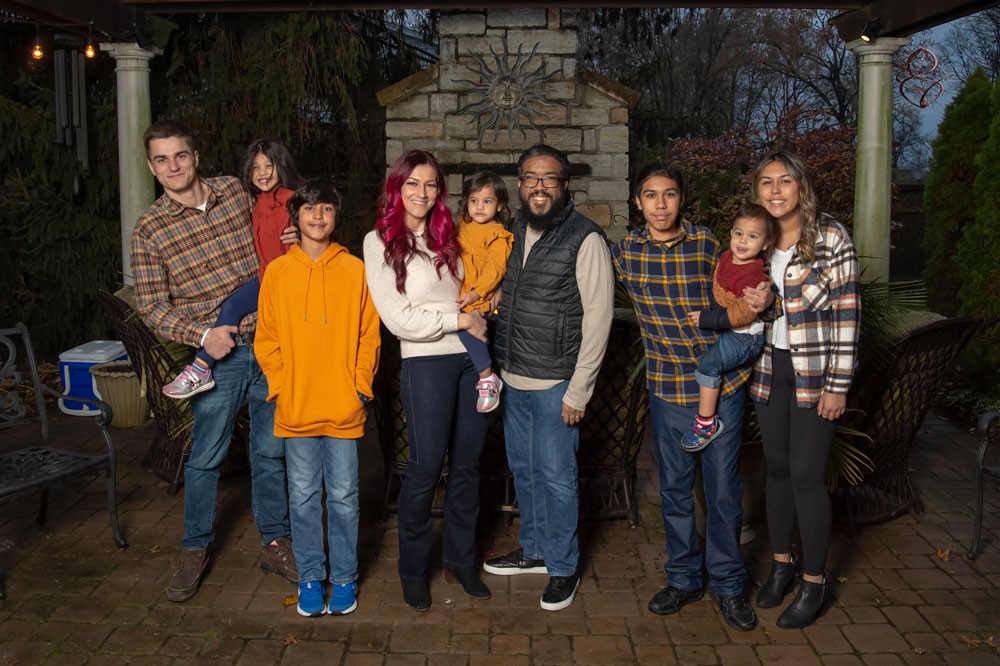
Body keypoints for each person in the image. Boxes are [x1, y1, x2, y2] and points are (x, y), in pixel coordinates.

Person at [130, 120, 296, 603]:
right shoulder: (150, 229)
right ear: (151, 166)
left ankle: (274, 541)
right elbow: (152, 307)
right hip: (217, 356)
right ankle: (194, 548)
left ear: (196, 156)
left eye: (180, 155)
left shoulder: (233, 191)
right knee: (206, 456)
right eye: (161, 160)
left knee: (270, 451)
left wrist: (294, 232)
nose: (172, 166)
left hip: (269, 343)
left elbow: (277, 215)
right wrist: (203, 335)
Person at [611, 162, 772, 632]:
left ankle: (727, 585)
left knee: (723, 492)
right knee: (675, 491)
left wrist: (761, 300)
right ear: (638, 203)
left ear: (682, 199)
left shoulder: (706, 244)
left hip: (719, 389)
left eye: (670, 194)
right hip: (666, 389)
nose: (661, 204)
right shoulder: (626, 253)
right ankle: (683, 578)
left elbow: (743, 283)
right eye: (651, 195)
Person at [484, 144, 615, 612]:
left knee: (558, 478)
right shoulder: (515, 229)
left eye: (550, 178)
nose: (540, 187)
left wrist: (579, 390)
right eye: (531, 178)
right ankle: (535, 550)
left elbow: (599, 319)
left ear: (564, 186)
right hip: (514, 376)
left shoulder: (587, 239)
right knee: (525, 470)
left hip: (558, 382)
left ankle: (562, 566)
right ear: (520, 186)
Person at [363, 149, 492, 611]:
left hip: (472, 363)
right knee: (423, 470)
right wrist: (459, 318)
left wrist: (475, 310)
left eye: (431, 184)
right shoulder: (378, 242)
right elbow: (399, 319)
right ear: (397, 188)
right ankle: (413, 570)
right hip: (426, 365)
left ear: (440, 191)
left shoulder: (448, 237)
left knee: (467, 467)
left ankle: (460, 561)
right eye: (412, 183)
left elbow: (472, 292)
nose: (422, 192)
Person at [255, 179, 381, 618]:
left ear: (335, 217)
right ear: (298, 216)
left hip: (343, 406)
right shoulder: (278, 272)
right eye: (309, 209)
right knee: (304, 495)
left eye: (326, 209)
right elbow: (265, 338)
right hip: (296, 407)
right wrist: (280, 386)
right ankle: (311, 576)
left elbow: (369, 336)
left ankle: (344, 577)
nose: (317, 216)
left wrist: (360, 386)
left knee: (345, 495)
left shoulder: (355, 270)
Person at [748, 151, 860, 628]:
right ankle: (781, 566)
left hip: (816, 374)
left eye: (785, 181)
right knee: (775, 469)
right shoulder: (758, 237)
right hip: (769, 369)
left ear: (801, 187)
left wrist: (838, 386)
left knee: (806, 475)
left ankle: (814, 583)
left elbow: (849, 315)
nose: (775, 190)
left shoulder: (830, 237)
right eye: (766, 182)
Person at [162, 139, 302, 399]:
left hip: (289, 282)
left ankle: (201, 366)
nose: (262, 173)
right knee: (233, 306)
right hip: (266, 278)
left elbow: (319, 228)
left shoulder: (292, 201)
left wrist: (303, 235)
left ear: (281, 166)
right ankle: (202, 368)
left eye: (269, 166)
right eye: (255, 167)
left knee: (241, 312)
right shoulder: (254, 201)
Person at [683, 203, 776, 452]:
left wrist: (707, 318)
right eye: (738, 233)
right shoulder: (726, 257)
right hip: (732, 333)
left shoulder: (753, 278)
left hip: (745, 338)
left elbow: (740, 315)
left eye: (753, 236)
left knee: (707, 368)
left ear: (766, 244)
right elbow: (718, 290)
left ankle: (706, 424)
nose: (743, 241)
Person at [455, 170, 514, 413]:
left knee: (469, 331)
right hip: (460, 291)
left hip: (479, 297)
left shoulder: (498, 234)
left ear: (499, 205)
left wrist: (476, 293)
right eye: (474, 200)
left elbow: (495, 270)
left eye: (487, 201)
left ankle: (487, 376)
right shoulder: (462, 226)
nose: (479, 207)